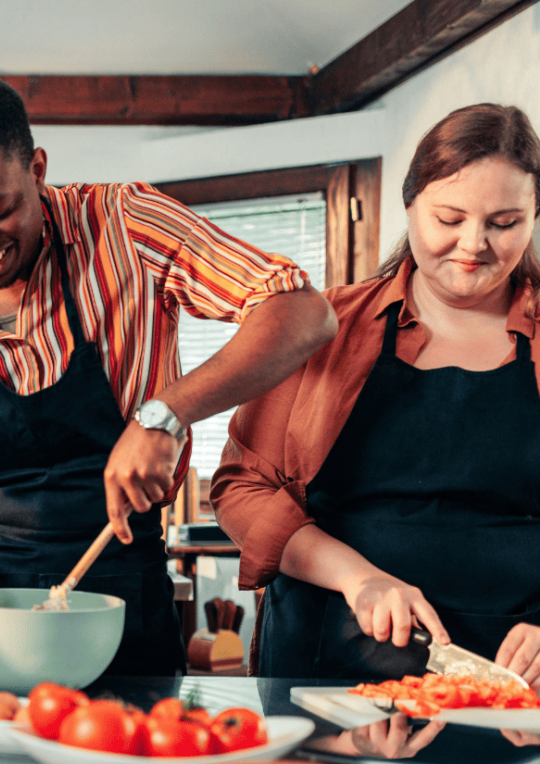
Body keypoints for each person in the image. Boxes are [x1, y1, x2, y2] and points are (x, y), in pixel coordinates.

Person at [0, 76, 338, 678]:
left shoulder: (125, 224)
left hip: (124, 608)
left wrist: (166, 413)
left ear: (37, 169)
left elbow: (304, 313)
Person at [213, 103, 540, 681]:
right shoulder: (322, 325)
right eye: (449, 218)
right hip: (328, 656)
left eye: (504, 223)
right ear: (410, 202)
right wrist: (356, 577)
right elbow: (244, 487)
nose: (473, 244)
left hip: (511, 672)